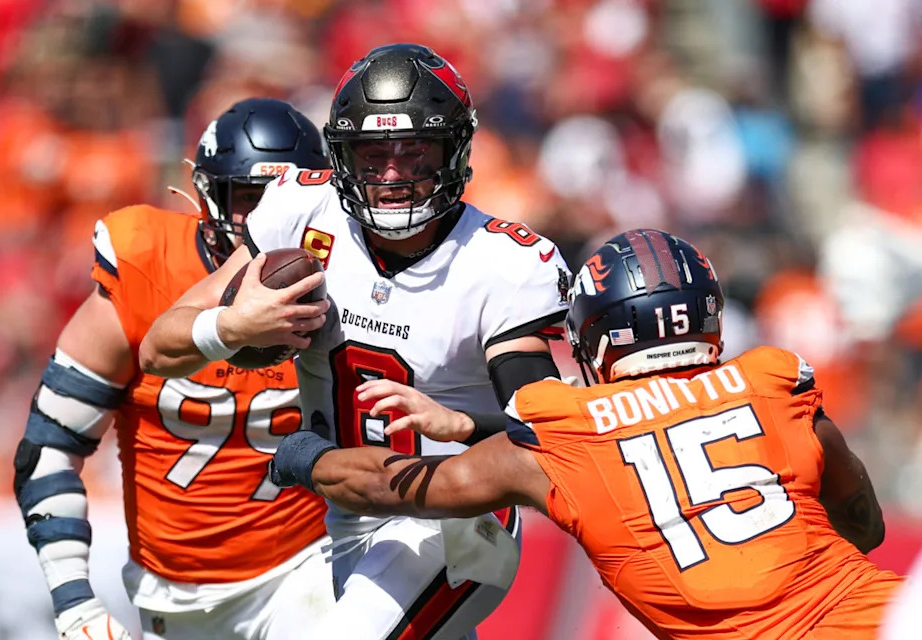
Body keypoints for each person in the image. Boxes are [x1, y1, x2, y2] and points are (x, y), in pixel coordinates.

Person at [273, 228, 905, 640]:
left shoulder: (565, 432)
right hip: (888, 615)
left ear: (595, 334)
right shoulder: (772, 381)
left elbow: (390, 487)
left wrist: (305, 456)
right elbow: (865, 524)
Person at [139, 43, 572, 639]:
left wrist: (464, 426)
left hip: (456, 518)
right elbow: (158, 348)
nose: (391, 175)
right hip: (348, 520)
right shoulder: (303, 211)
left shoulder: (501, 265)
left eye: (413, 151)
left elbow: (552, 437)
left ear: (455, 150)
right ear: (343, 156)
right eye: (372, 155)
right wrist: (233, 327)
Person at [14, 98, 335, 640]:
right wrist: (74, 605)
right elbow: (47, 450)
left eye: (286, 199)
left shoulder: (345, 276)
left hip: (308, 566)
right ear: (209, 196)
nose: (266, 221)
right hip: (173, 594)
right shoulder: (147, 264)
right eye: (249, 199)